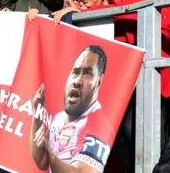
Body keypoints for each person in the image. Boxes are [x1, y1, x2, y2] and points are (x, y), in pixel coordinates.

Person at [30, 45, 114, 173]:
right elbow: (42, 161)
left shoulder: (98, 126)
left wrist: (51, 155)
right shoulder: (59, 118)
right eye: (75, 72)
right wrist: (38, 115)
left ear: (98, 82)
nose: (78, 81)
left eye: (87, 74)